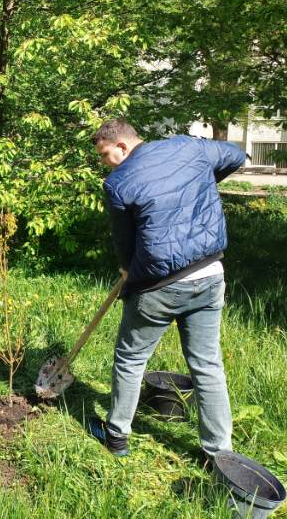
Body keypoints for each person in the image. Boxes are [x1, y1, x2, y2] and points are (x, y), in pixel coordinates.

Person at [88, 119, 246, 461]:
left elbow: (124, 243)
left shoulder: (118, 183)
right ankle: (218, 452)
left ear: (123, 146)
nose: (104, 162)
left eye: (105, 154)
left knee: (130, 359)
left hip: (157, 287)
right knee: (207, 365)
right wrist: (196, 184)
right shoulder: (189, 148)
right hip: (209, 275)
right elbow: (236, 155)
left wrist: (128, 273)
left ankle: (116, 437)